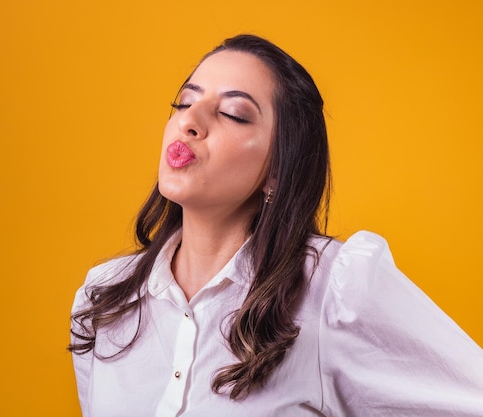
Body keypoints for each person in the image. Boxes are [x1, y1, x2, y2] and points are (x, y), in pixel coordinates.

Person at [68, 34, 483, 416]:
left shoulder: (333, 292)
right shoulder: (103, 303)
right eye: (184, 102)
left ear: (277, 170)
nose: (189, 121)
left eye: (233, 113)